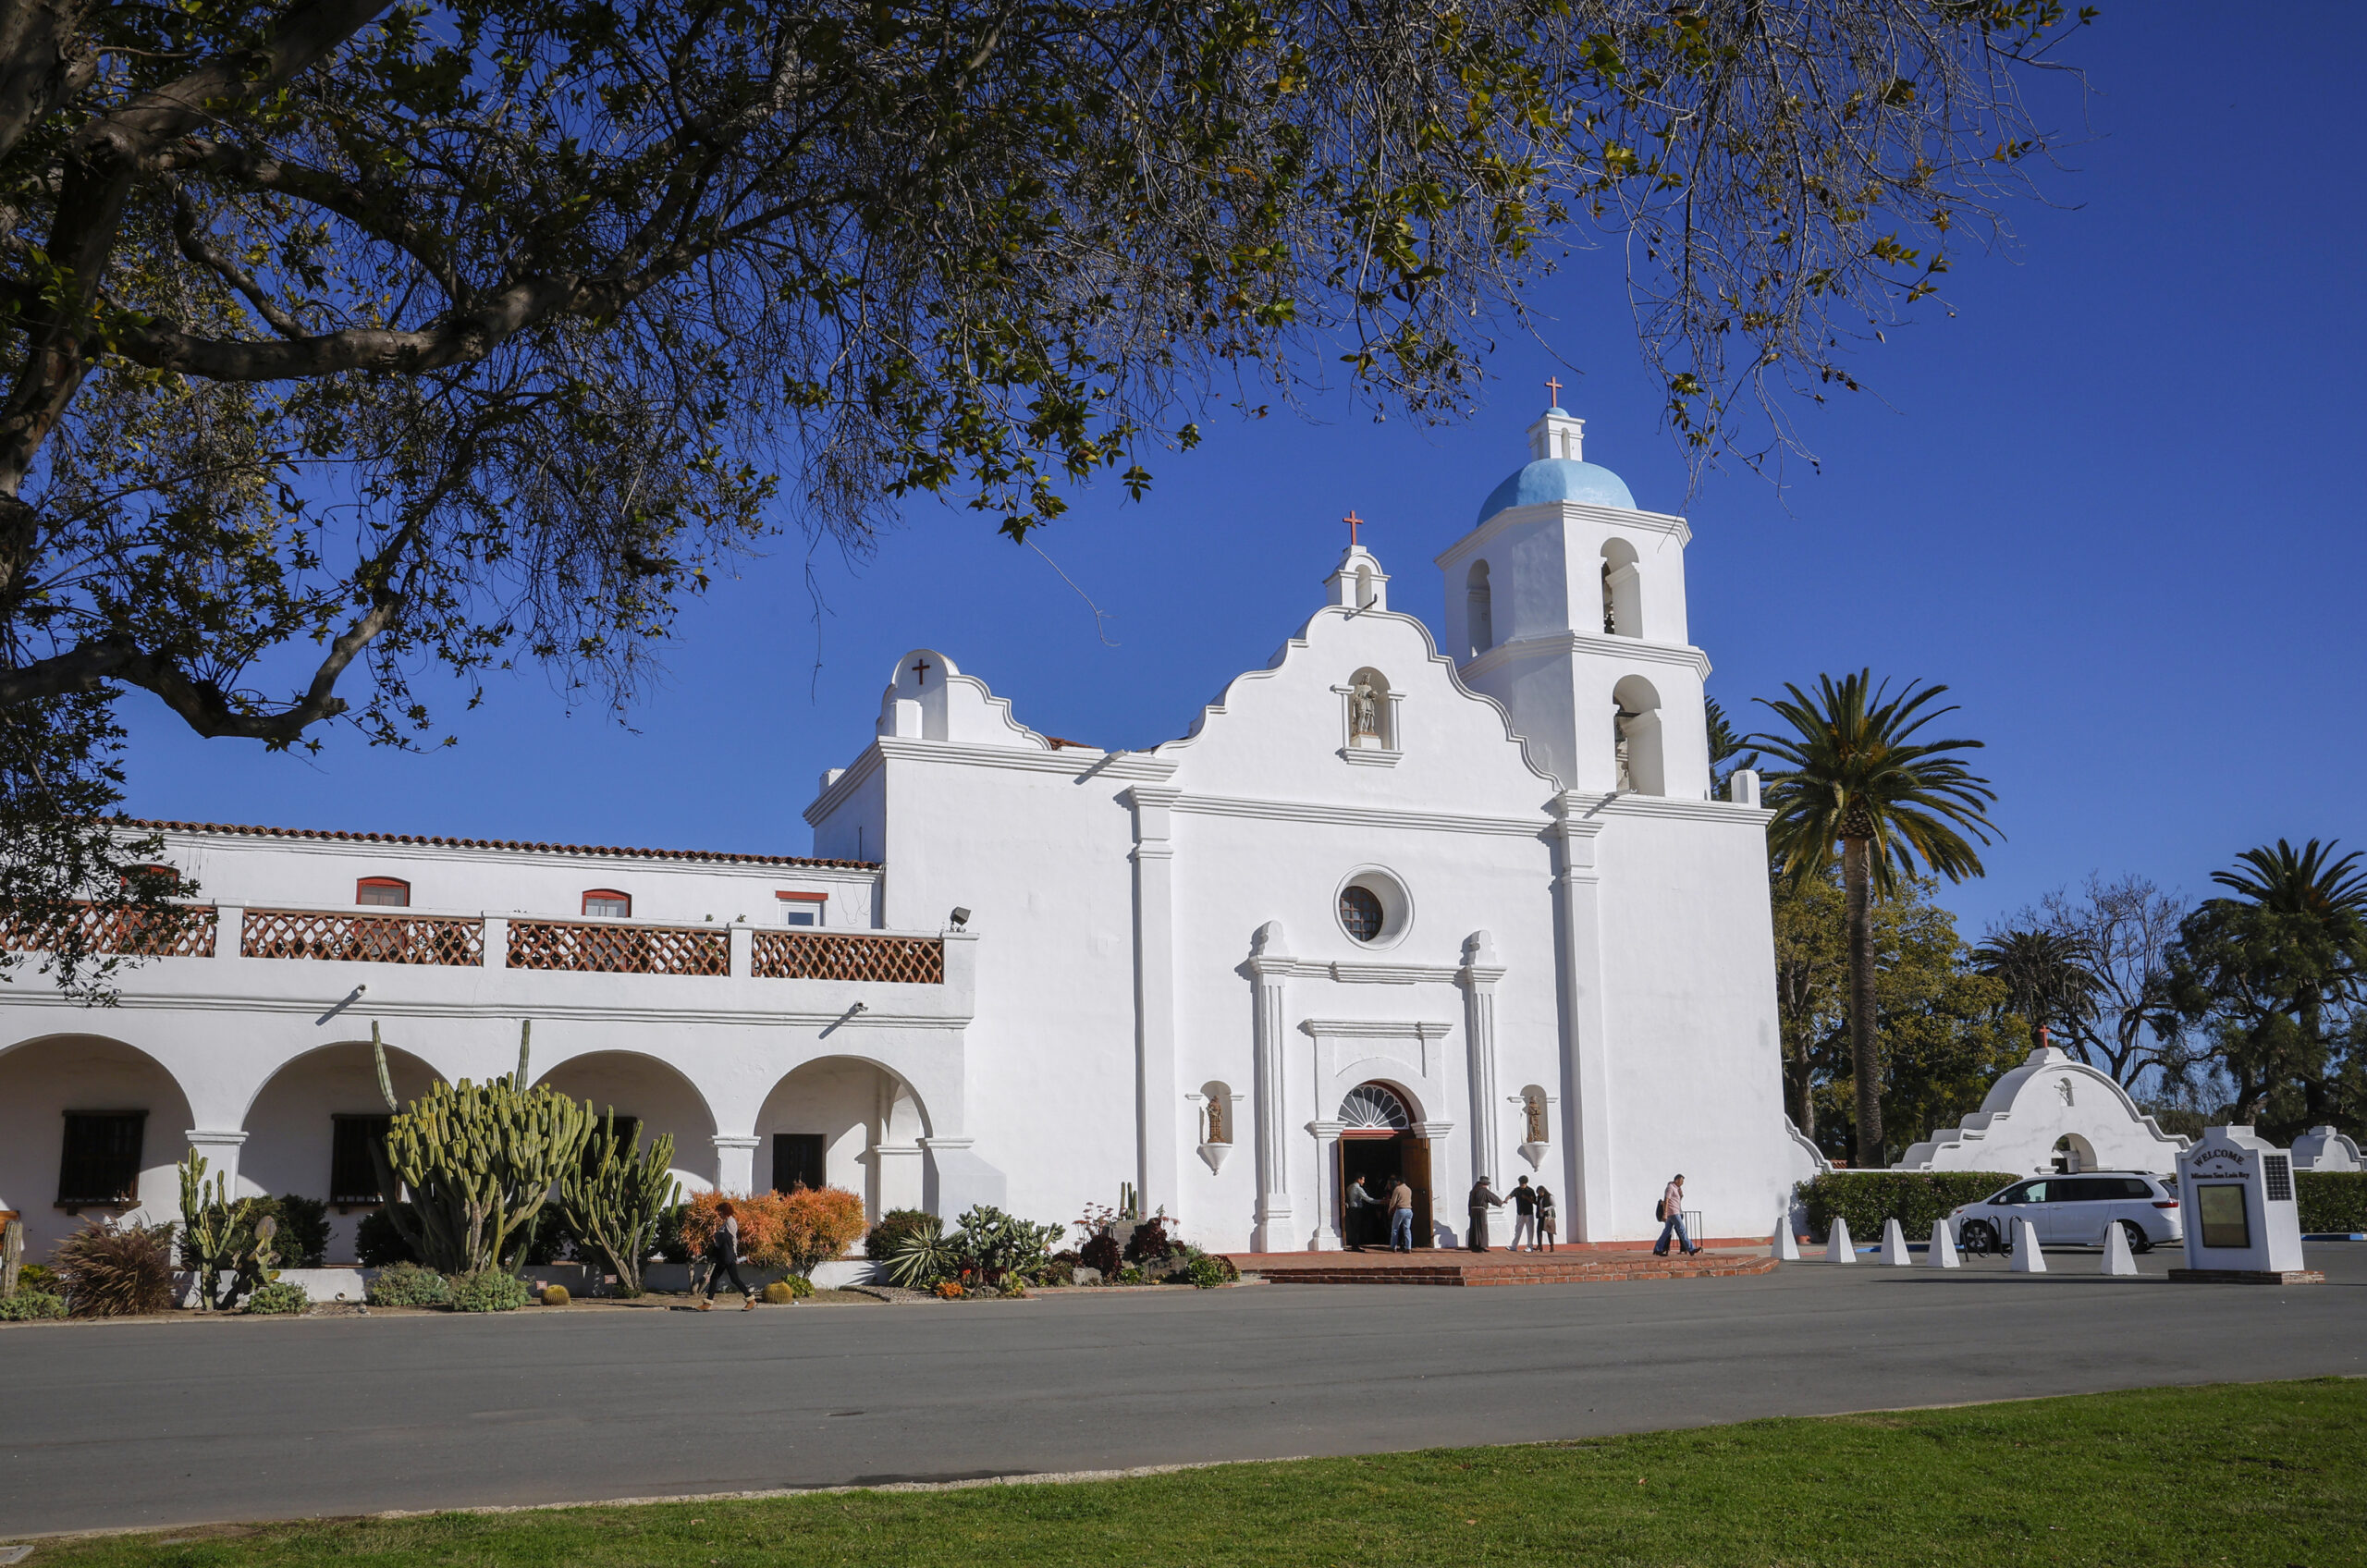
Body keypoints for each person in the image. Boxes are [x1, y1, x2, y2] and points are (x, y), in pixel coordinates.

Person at [700, 1199, 756, 1310]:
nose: (719, 1214)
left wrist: (733, 1254)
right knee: (717, 1277)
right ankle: (708, 1303)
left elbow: (732, 1239)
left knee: (733, 1279)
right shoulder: (727, 1221)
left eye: (720, 1212)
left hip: (727, 1256)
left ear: (724, 1211)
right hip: (725, 1255)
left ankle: (751, 1300)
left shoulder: (730, 1221)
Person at [1653, 1173, 1699, 1257]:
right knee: (1682, 1230)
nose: (1682, 1183)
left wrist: (1681, 1196)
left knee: (1666, 1232)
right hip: (1673, 1213)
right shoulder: (1670, 1187)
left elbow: (1676, 1201)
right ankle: (1691, 1249)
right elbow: (1667, 1200)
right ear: (1677, 1180)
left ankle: (1657, 1249)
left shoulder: (1676, 1189)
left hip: (1673, 1212)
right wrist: (1665, 1213)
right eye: (1681, 1181)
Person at [1466, 1176, 1505, 1252]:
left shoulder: (1473, 1191)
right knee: (1482, 1228)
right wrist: (1500, 1202)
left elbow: (1469, 1203)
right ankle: (1481, 1246)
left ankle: (1474, 1246)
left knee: (1474, 1228)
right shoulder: (1484, 1191)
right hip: (1481, 1211)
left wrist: (1470, 1212)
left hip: (1473, 1211)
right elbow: (1493, 1198)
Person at [1344, 1173, 1377, 1251]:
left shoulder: (1349, 1187)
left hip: (1350, 1209)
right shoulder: (1358, 1188)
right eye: (1363, 1180)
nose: (1363, 1182)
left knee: (1353, 1228)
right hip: (1356, 1209)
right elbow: (1367, 1199)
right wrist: (1380, 1201)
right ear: (1359, 1179)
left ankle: (1354, 1245)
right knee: (1356, 1229)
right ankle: (1355, 1246)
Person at [1509, 1174, 1538, 1252]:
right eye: (1520, 1183)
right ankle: (1514, 1246)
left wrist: (1526, 1198)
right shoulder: (1517, 1190)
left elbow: (1534, 1202)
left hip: (1528, 1213)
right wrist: (1506, 1199)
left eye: (1523, 1183)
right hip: (1520, 1213)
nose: (1521, 1185)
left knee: (1530, 1230)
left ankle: (1530, 1246)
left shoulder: (1530, 1191)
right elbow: (1510, 1195)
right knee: (1517, 1229)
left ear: (1526, 1183)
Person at [1388, 1176, 1416, 1252]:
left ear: (1399, 1182)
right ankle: (1408, 1247)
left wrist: (1390, 1209)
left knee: (1395, 1228)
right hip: (1409, 1210)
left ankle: (1393, 1246)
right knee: (1407, 1229)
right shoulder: (1409, 1189)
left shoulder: (1397, 1189)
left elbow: (1393, 1201)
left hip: (1401, 1209)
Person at [1535, 1184, 1558, 1252]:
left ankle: (1551, 1246)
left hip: (1548, 1216)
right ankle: (1540, 1245)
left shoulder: (1550, 1196)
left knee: (1549, 1231)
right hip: (1541, 1216)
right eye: (1538, 1193)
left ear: (1543, 1191)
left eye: (1540, 1193)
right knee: (1539, 1230)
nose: (1539, 1194)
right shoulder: (1539, 1198)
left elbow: (1554, 1205)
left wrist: (1545, 1209)